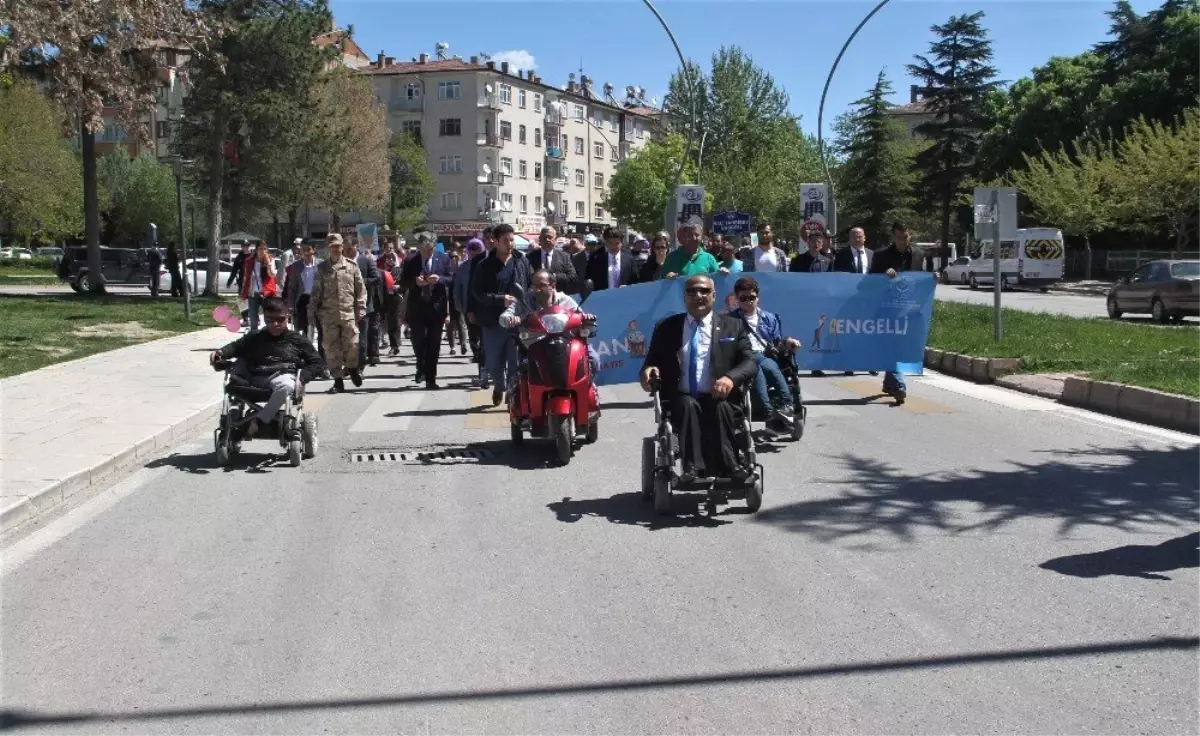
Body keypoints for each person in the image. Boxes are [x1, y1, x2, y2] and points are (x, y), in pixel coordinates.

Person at [639, 274, 757, 481]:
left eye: (704, 291)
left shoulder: (733, 326)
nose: (698, 295)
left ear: (714, 296)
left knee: (721, 407)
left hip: (721, 396)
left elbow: (750, 362)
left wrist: (730, 378)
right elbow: (651, 362)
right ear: (684, 297)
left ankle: (731, 466)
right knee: (687, 406)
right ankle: (692, 468)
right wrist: (648, 371)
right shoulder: (667, 327)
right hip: (682, 397)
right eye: (692, 291)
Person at [210, 298, 325, 439]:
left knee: (287, 385)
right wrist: (221, 353)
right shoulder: (255, 336)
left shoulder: (297, 340)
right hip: (252, 376)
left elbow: (318, 363)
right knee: (234, 373)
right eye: (269, 320)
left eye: (280, 319)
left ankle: (259, 420)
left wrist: (302, 378)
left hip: (279, 376)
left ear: (287, 316)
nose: (275, 324)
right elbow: (236, 347)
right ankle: (233, 428)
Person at [726, 276, 801, 434]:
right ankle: (770, 414)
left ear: (757, 298)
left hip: (764, 355)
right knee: (757, 369)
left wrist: (789, 342)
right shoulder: (730, 320)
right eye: (743, 298)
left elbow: (777, 342)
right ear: (737, 299)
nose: (748, 301)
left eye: (751, 297)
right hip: (742, 358)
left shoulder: (769, 318)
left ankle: (785, 406)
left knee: (769, 366)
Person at [471, 223, 532, 405]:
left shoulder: (522, 261)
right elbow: (477, 293)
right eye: (505, 240)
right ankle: (499, 385)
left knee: (515, 363)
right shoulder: (484, 266)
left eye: (512, 240)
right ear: (495, 242)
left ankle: (512, 395)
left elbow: (530, 287)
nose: (510, 243)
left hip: (516, 321)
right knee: (493, 362)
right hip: (493, 321)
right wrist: (500, 299)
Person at [499, 269, 600, 376]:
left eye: (541, 285)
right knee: (522, 374)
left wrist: (586, 319)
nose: (536, 290)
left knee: (593, 360)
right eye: (534, 285)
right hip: (536, 346)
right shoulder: (524, 299)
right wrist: (510, 319)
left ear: (553, 286)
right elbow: (503, 318)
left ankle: (586, 389)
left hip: (566, 345)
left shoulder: (565, 300)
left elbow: (580, 316)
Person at [869, 222, 923, 403]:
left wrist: (934, 276)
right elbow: (869, 283)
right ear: (893, 236)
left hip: (910, 309)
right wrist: (884, 275)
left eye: (906, 237)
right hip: (887, 310)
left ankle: (890, 381)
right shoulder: (881, 255)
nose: (903, 240)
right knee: (893, 345)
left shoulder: (918, 254)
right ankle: (899, 384)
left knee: (901, 346)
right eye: (899, 237)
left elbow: (922, 278)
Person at [309, 233, 366, 393]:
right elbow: (315, 292)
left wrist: (361, 307)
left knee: (353, 344)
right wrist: (311, 312)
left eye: (338, 246)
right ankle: (338, 381)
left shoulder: (352, 267)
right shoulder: (322, 269)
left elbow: (360, 290)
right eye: (332, 246)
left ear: (342, 247)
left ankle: (352, 368)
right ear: (328, 248)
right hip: (328, 316)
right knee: (331, 349)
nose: (335, 249)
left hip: (348, 314)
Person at [400, 231, 452, 389]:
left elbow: (451, 278)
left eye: (431, 249)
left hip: (436, 307)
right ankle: (421, 366)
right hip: (417, 308)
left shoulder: (443, 258)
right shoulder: (410, 260)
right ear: (419, 247)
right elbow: (403, 282)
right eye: (425, 249)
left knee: (434, 343)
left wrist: (440, 279)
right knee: (418, 340)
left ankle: (431, 378)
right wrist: (415, 282)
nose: (428, 252)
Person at [455, 237, 487, 384]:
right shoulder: (463, 267)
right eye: (471, 249)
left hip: (485, 309)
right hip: (469, 308)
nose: (474, 252)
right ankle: (478, 358)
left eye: (477, 249)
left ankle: (484, 368)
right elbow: (458, 288)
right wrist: (459, 304)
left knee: (486, 340)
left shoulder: (486, 265)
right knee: (474, 338)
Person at [352, 242, 383, 368]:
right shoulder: (338, 263)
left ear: (356, 247)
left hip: (364, 303)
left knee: (362, 336)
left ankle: (360, 365)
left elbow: (377, 278)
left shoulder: (365, 261)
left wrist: (359, 282)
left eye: (350, 248)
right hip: (344, 305)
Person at [283, 241, 320, 342]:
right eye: (304, 250)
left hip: (317, 300)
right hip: (302, 299)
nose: (306, 252)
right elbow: (292, 287)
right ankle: (306, 347)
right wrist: (290, 304)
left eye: (308, 249)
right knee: (304, 327)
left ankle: (310, 346)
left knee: (314, 326)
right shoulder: (296, 266)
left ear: (314, 250)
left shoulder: (320, 265)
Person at [525, 226, 578, 294]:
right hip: (537, 295)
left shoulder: (564, 257)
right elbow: (527, 276)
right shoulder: (530, 257)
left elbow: (573, 276)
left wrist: (555, 276)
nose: (547, 239)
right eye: (544, 237)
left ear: (555, 240)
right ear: (540, 239)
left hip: (558, 296)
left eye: (549, 237)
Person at [240, 241, 278, 332]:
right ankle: (254, 338)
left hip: (267, 293)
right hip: (253, 293)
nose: (263, 251)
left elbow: (272, 275)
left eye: (265, 249)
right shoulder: (250, 260)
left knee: (268, 318)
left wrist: (268, 263)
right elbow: (246, 277)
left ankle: (268, 339)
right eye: (260, 248)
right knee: (253, 319)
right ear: (256, 249)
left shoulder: (270, 259)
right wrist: (243, 292)